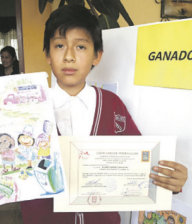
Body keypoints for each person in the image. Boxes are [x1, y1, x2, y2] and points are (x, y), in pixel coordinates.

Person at [21, 5, 187, 224]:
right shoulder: (28, 110)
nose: (69, 56)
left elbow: (140, 162)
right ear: (48, 55)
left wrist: (170, 181)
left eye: (80, 47)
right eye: (60, 45)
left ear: (96, 56)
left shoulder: (112, 105)